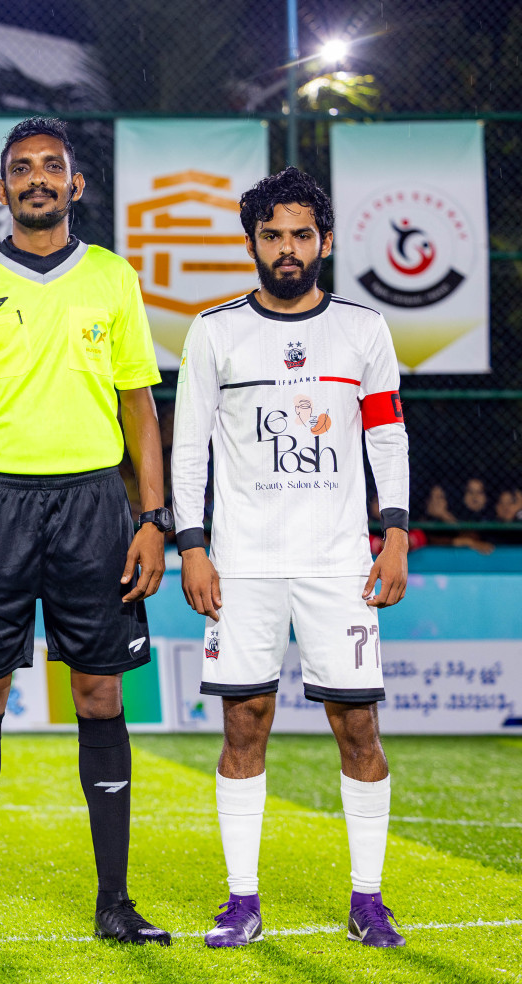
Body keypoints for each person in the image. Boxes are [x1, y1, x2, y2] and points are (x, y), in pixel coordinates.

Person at [0, 117, 170, 946]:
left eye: (51, 168)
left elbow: (139, 402)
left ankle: (117, 903)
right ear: (1, 191)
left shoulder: (112, 278)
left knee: (98, 693)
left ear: (75, 185)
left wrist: (154, 518)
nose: (37, 180)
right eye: (21, 170)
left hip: (95, 504)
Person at [171, 167, 411, 948]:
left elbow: (386, 435)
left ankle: (367, 899)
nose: (287, 247)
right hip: (240, 565)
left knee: (359, 729)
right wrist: (193, 547)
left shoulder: (364, 330)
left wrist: (397, 532)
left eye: (301, 234)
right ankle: (242, 899)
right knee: (244, 724)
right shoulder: (213, 330)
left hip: (339, 565)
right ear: (252, 243)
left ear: (326, 241)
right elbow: (189, 449)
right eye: (272, 234)